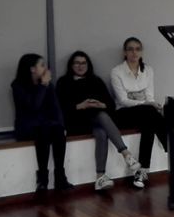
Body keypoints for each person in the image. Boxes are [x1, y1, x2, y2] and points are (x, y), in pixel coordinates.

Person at [57, 51, 141, 191]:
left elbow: (110, 104)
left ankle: (100, 177)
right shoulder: (63, 82)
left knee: (101, 132)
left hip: (96, 120)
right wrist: (80, 106)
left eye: (83, 63)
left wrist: (101, 104)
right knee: (101, 116)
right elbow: (60, 107)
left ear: (88, 65)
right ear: (71, 65)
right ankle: (126, 153)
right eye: (77, 63)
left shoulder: (95, 81)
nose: (80, 66)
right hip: (76, 121)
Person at [12, 53, 73, 192]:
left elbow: (56, 108)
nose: (46, 69)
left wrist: (61, 125)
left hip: (46, 125)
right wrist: (43, 85)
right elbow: (34, 106)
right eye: (42, 65)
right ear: (32, 69)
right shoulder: (18, 86)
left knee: (58, 131)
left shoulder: (47, 85)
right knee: (44, 130)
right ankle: (42, 178)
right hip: (27, 126)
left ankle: (60, 176)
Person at [110, 37, 167, 189]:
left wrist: (151, 104)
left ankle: (142, 171)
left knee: (149, 122)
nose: (134, 52)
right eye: (130, 49)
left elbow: (149, 97)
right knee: (150, 112)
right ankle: (168, 143)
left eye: (137, 49)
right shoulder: (117, 71)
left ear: (141, 52)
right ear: (125, 52)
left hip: (145, 114)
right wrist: (147, 104)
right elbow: (123, 100)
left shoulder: (148, 70)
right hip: (123, 114)